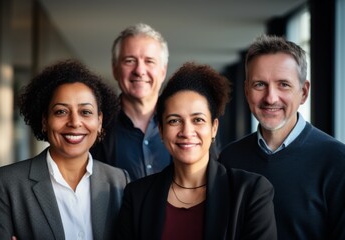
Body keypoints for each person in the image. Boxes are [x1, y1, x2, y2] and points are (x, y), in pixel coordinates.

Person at [116, 62, 277, 240]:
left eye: (198, 120)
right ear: (161, 130)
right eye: (174, 121)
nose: (186, 132)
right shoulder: (137, 196)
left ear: (214, 127)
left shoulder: (250, 192)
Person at [0, 59, 130, 240]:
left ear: (99, 121)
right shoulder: (4, 184)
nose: (75, 122)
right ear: (45, 121)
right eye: (61, 111)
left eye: (85, 112)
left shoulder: (120, 182)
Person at [219, 35, 345, 240]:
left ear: (303, 92)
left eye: (283, 84)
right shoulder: (229, 159)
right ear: (246, 91)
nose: (270, 98)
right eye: (259, 84)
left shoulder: (337, 161)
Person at [90, 23, 172, 181]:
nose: (140, 70)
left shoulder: (187, 126)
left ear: (163, 71)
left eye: (149, 61)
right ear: (115, 69)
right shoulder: (96, 127)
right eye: (129, 61)